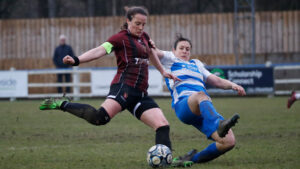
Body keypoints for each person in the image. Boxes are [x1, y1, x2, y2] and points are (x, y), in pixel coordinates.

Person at [39, 6, 186, 166]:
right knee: (98, 118)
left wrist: (163, 71)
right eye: (137, 23)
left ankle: (166, 161)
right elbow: (100, 50)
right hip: (123, 88)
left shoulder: (144, 37)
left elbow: (151, 53)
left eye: (144, 24)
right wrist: (76, 60)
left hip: (140, 94)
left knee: (162, 125)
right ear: (128, 21)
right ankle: (63, 104)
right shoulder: (120, 38)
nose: (141, 28)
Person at [151, 34, 246, 165]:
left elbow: (216, 80)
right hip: (184, 105)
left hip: (203, 108)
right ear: (174, 50)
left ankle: (189, 160)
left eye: (188, 49)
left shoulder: (196, 64)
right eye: (181, 48)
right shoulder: (170, 59)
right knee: (201, 94)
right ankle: (219, 124)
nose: (185, 51)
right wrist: (150, 44)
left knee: (229, 142)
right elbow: (153, 52)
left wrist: (233, 85)